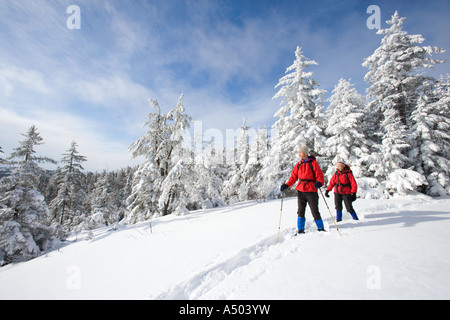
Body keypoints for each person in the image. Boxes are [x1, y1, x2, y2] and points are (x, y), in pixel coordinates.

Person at [280, 145, 325, 234]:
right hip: (301, 191)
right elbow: (293, 177)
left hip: (311, 190)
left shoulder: (313, 163)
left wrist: (319, 182)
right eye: (299, 153)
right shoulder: (298, 165)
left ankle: (321, 228)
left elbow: (319, 175)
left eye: (300, 153)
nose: (299, 154)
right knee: (300, 211)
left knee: (314, 211)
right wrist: (286, 185)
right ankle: (300, 230)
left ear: (305, 153)